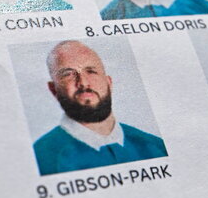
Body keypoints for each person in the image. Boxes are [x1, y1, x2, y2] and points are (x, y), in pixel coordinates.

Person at [33, 40, 167, 175]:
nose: (84, 83)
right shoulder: (39, 160)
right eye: (68, 74)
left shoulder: (157, 147)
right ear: (54, 90)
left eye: (91, 71)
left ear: (109, 83)